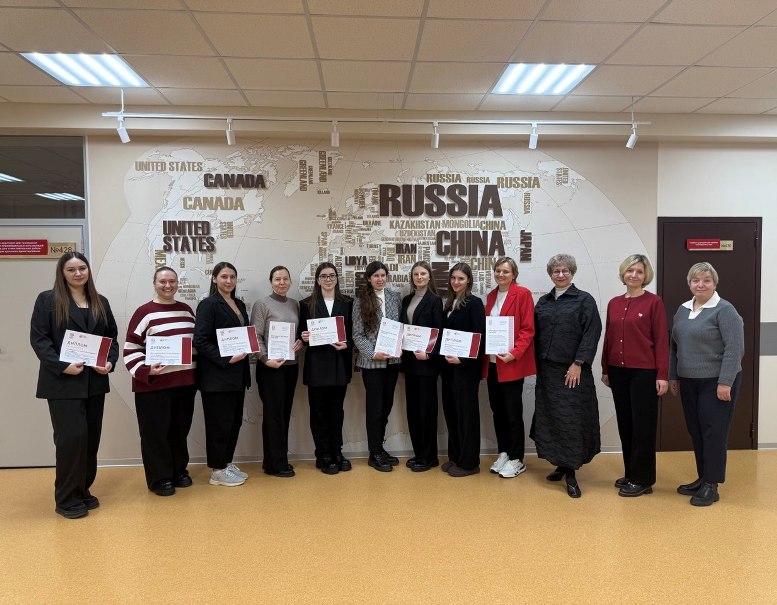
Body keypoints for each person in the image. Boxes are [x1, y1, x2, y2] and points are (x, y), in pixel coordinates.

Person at [30, 252, 119, 519]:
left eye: (82, 268)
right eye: (71, 269)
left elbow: (111, 339)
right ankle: (66, 498)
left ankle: (82, 489)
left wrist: (109, 362)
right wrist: (62, 365)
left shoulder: (100, 301)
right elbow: (39, 340)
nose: (78, 273)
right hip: (62, 383)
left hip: (94, 382)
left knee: (90, 439)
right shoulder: (48, 300)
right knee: (71, 440)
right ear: (62, 273)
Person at [669, 262, 744, 506]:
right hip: (689, 381)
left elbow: (735, 348)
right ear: (689, 283)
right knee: (697, 430)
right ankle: (703, 478)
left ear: (714, 283)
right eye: (695, 280)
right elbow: (674, 347)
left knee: (714, 432)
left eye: (706, 280)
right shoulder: (683, 309)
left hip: (716, 382)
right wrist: (673, 376)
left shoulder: (725, 310)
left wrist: (725, 382)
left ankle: (712, 485)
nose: (700, 285)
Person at [532, 254, 601, 498]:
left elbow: (592, 333)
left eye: (565, 271)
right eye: (556, 271)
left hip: (572, 371)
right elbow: (533, 333)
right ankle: (561, 464)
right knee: (552, 419)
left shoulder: (584, 300)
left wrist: (578, 363)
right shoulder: (543, 302)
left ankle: (571, 472)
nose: (560, 275)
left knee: (571, 421)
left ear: (572, 273)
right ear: (550, 274)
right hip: (547, 372)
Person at [123, 266, 197, 497]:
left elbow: (195, 346)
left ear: (177, 284)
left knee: (179, 431)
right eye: (163, 281)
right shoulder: (144, 312)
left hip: (184, 384)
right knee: (155, 434)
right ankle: (160, 478)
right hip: (153, 386)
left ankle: (178, 471)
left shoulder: (187, 311)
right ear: (154, 283)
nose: (168, 286)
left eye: (172, 281)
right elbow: (130, 349)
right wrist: (146, 370)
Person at [601, 255, 668, 497]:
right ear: (623, 273)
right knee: (626, 424)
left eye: (639, 271)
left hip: (644, 373)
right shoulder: (614, 303)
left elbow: (661, 340)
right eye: (630, 270)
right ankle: (631, 472)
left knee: (643, 427)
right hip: (618, 371)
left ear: (645, 275)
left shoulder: (654, 302)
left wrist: (662, 375)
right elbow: (609, 338)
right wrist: (605, 368)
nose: (634, 275)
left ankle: (643, 479)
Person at [193, 261, 251, 487]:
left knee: (234, 422)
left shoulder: (239, 304)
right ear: (214, 279)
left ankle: (226, 463)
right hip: (217, 377)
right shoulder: (208, 304)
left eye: (232, 277)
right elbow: (200, 340)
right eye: (224, 276)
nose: (229, 281)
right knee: (219, 425)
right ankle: (217, 470)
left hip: (238, 376)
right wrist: (225, 358)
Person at [483, 256, 536, 479]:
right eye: (498, 271)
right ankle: (504, 452)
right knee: (498, 411)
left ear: (514, 274)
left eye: (505, 271)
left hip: (511, 363)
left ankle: (517, 459)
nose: (501, 275)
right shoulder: (491, 296)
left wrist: (514, 353)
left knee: (512, 413)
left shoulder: (523, 294)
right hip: (492, 363)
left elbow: (528, 329)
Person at [298, 262, 353, 475]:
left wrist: (347, 344)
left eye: (331, 275)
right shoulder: (306, 304)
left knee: (337, 412)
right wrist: (303, 336)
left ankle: (337, 452)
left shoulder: (347, 302)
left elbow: (353, 333)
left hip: (339, 364)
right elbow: (301, 334)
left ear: (337, 279)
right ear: (318, 280)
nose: (328, 279)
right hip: (317, 366)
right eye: (323, 276)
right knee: (319, 412)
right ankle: (323, 454)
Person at [251, 266, 302, 478]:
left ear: (290, 281)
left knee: (284, 413)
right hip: (270, 368)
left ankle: (276, 460)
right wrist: (265, 359)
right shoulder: (262, 304)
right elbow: (256, 335)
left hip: (290, 367)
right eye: (277, 279)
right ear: (271, 282)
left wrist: (298, 343)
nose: (281, 283)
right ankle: (276, 464)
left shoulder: (295, 304)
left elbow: (297, 333)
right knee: (273, 416)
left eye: (285, 279)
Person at [352, 260, 402, 472]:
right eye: (376, 276)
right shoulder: (360, 301)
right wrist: (373, 353)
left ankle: (380, 448)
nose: (380, 279)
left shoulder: (394, 297)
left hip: (392, 361)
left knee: (387, 406)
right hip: (372, 363)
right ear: (369, 279)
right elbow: (357, 334)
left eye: (383, 275)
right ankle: (374, 453)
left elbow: (400, 328)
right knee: (375, 409)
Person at [440, 262, 486, 477]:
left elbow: (480, 337)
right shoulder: (450, 303)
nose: (456, 282)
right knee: (452, 413)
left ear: (468, 281)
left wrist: (463, 359)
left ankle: (469, 463)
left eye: (461, 278)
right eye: (453, 278)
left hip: (466, 370)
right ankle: (456, 457)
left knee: (466, 416)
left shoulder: (474, 303)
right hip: (449, 369)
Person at [400, 261, 444, 472]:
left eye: (423, 273)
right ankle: (419, 454)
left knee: (427, 411)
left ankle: (429, 457)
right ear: (412, 277)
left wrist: (429, 354)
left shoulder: (435, 300)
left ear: (429, 276)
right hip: (409, 363)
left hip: (426, 364)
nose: (419, 277)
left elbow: (439, 331)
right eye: (416, 274)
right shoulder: (407, 299)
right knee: (413, 411)